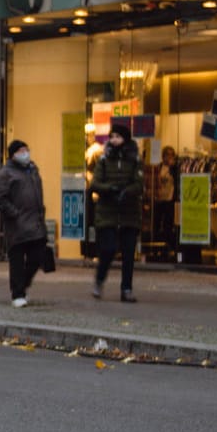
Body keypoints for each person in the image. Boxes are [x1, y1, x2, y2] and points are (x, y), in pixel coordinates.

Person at [90, 122, 143, 301]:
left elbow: (140, 184)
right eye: (112, 136)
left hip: (129, 212)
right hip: (107, 212)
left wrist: (127, 191)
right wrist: (109, 189)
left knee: (129, 253)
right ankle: (99, 279)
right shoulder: (104, 159)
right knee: (109, 248)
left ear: (125, 139)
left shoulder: (134, 159)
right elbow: (95, 183)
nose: (114, 140)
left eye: (118, 136)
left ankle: (126, 289)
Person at [0, 139, 46, 308]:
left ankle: (23, 284)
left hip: (34, 222)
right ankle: (18, 294)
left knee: (37, 257)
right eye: (21, 151)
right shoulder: (6, 173)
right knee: (16, 260)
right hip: (16, 224)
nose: (25, 153)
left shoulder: (33, 170)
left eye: (26, 149)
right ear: (13, 154)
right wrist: (14, 213)